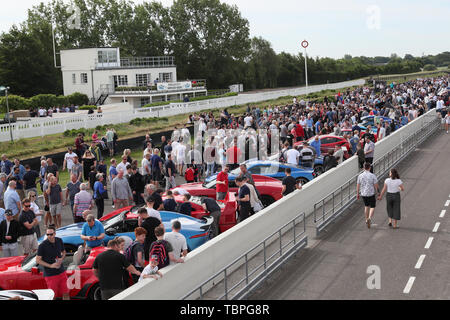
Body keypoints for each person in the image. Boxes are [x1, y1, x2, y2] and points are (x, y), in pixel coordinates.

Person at [36, 225, 70, 300]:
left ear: (55, 234)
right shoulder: (42, 245)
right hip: (50, 275)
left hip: (61, 272)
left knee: (66, 293)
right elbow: (38, 260)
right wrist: (50, 265)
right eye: (47, 234)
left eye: (51, 234)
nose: (49, 236)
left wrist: (61, 258)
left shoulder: (59, 240)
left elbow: (63, 252)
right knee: (52, 296)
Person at [357, 162, 380, 229]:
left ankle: (366, 219)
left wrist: (358, 194)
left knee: (366, 206)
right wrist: (378, 193)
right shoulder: (372, 175)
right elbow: (376, 185)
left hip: (363, 193)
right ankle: (369, 218)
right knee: (372, 206)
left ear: (364, 168)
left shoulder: (360, 176)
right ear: (370, 167)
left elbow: (358, 185)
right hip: (371, 193)